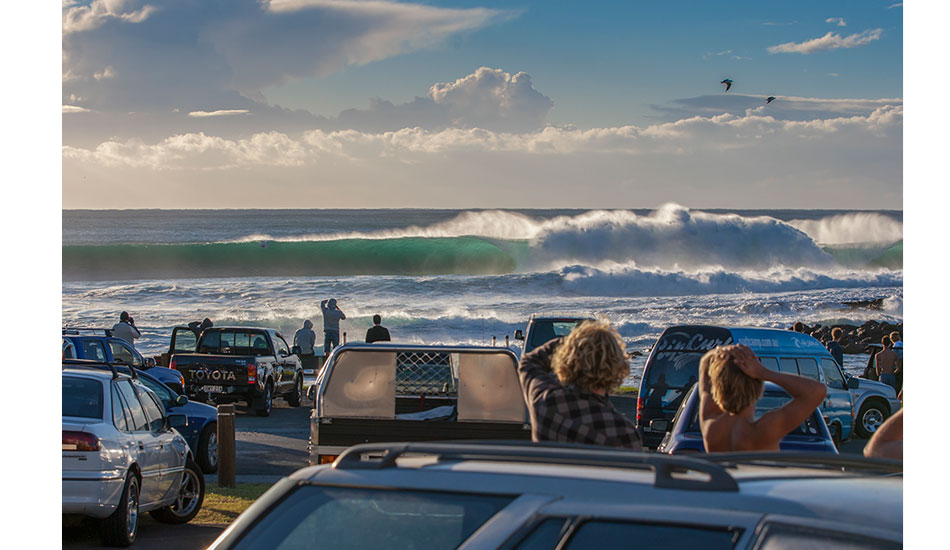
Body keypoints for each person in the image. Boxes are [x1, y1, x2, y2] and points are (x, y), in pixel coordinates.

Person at [517, 320, 642, 450]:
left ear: (566, 361)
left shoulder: (546, 402)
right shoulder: (622, 432)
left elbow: (529, 362)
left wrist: (572, 343)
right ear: (617, 369)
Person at [698, 344, 826, 452]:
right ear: (758, 385)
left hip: (726, 482)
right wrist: (763, 372)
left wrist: (721, 352)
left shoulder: (711, 427)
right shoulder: (764, 430)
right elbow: (816, 391)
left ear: (719, 385)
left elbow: (704, 364)